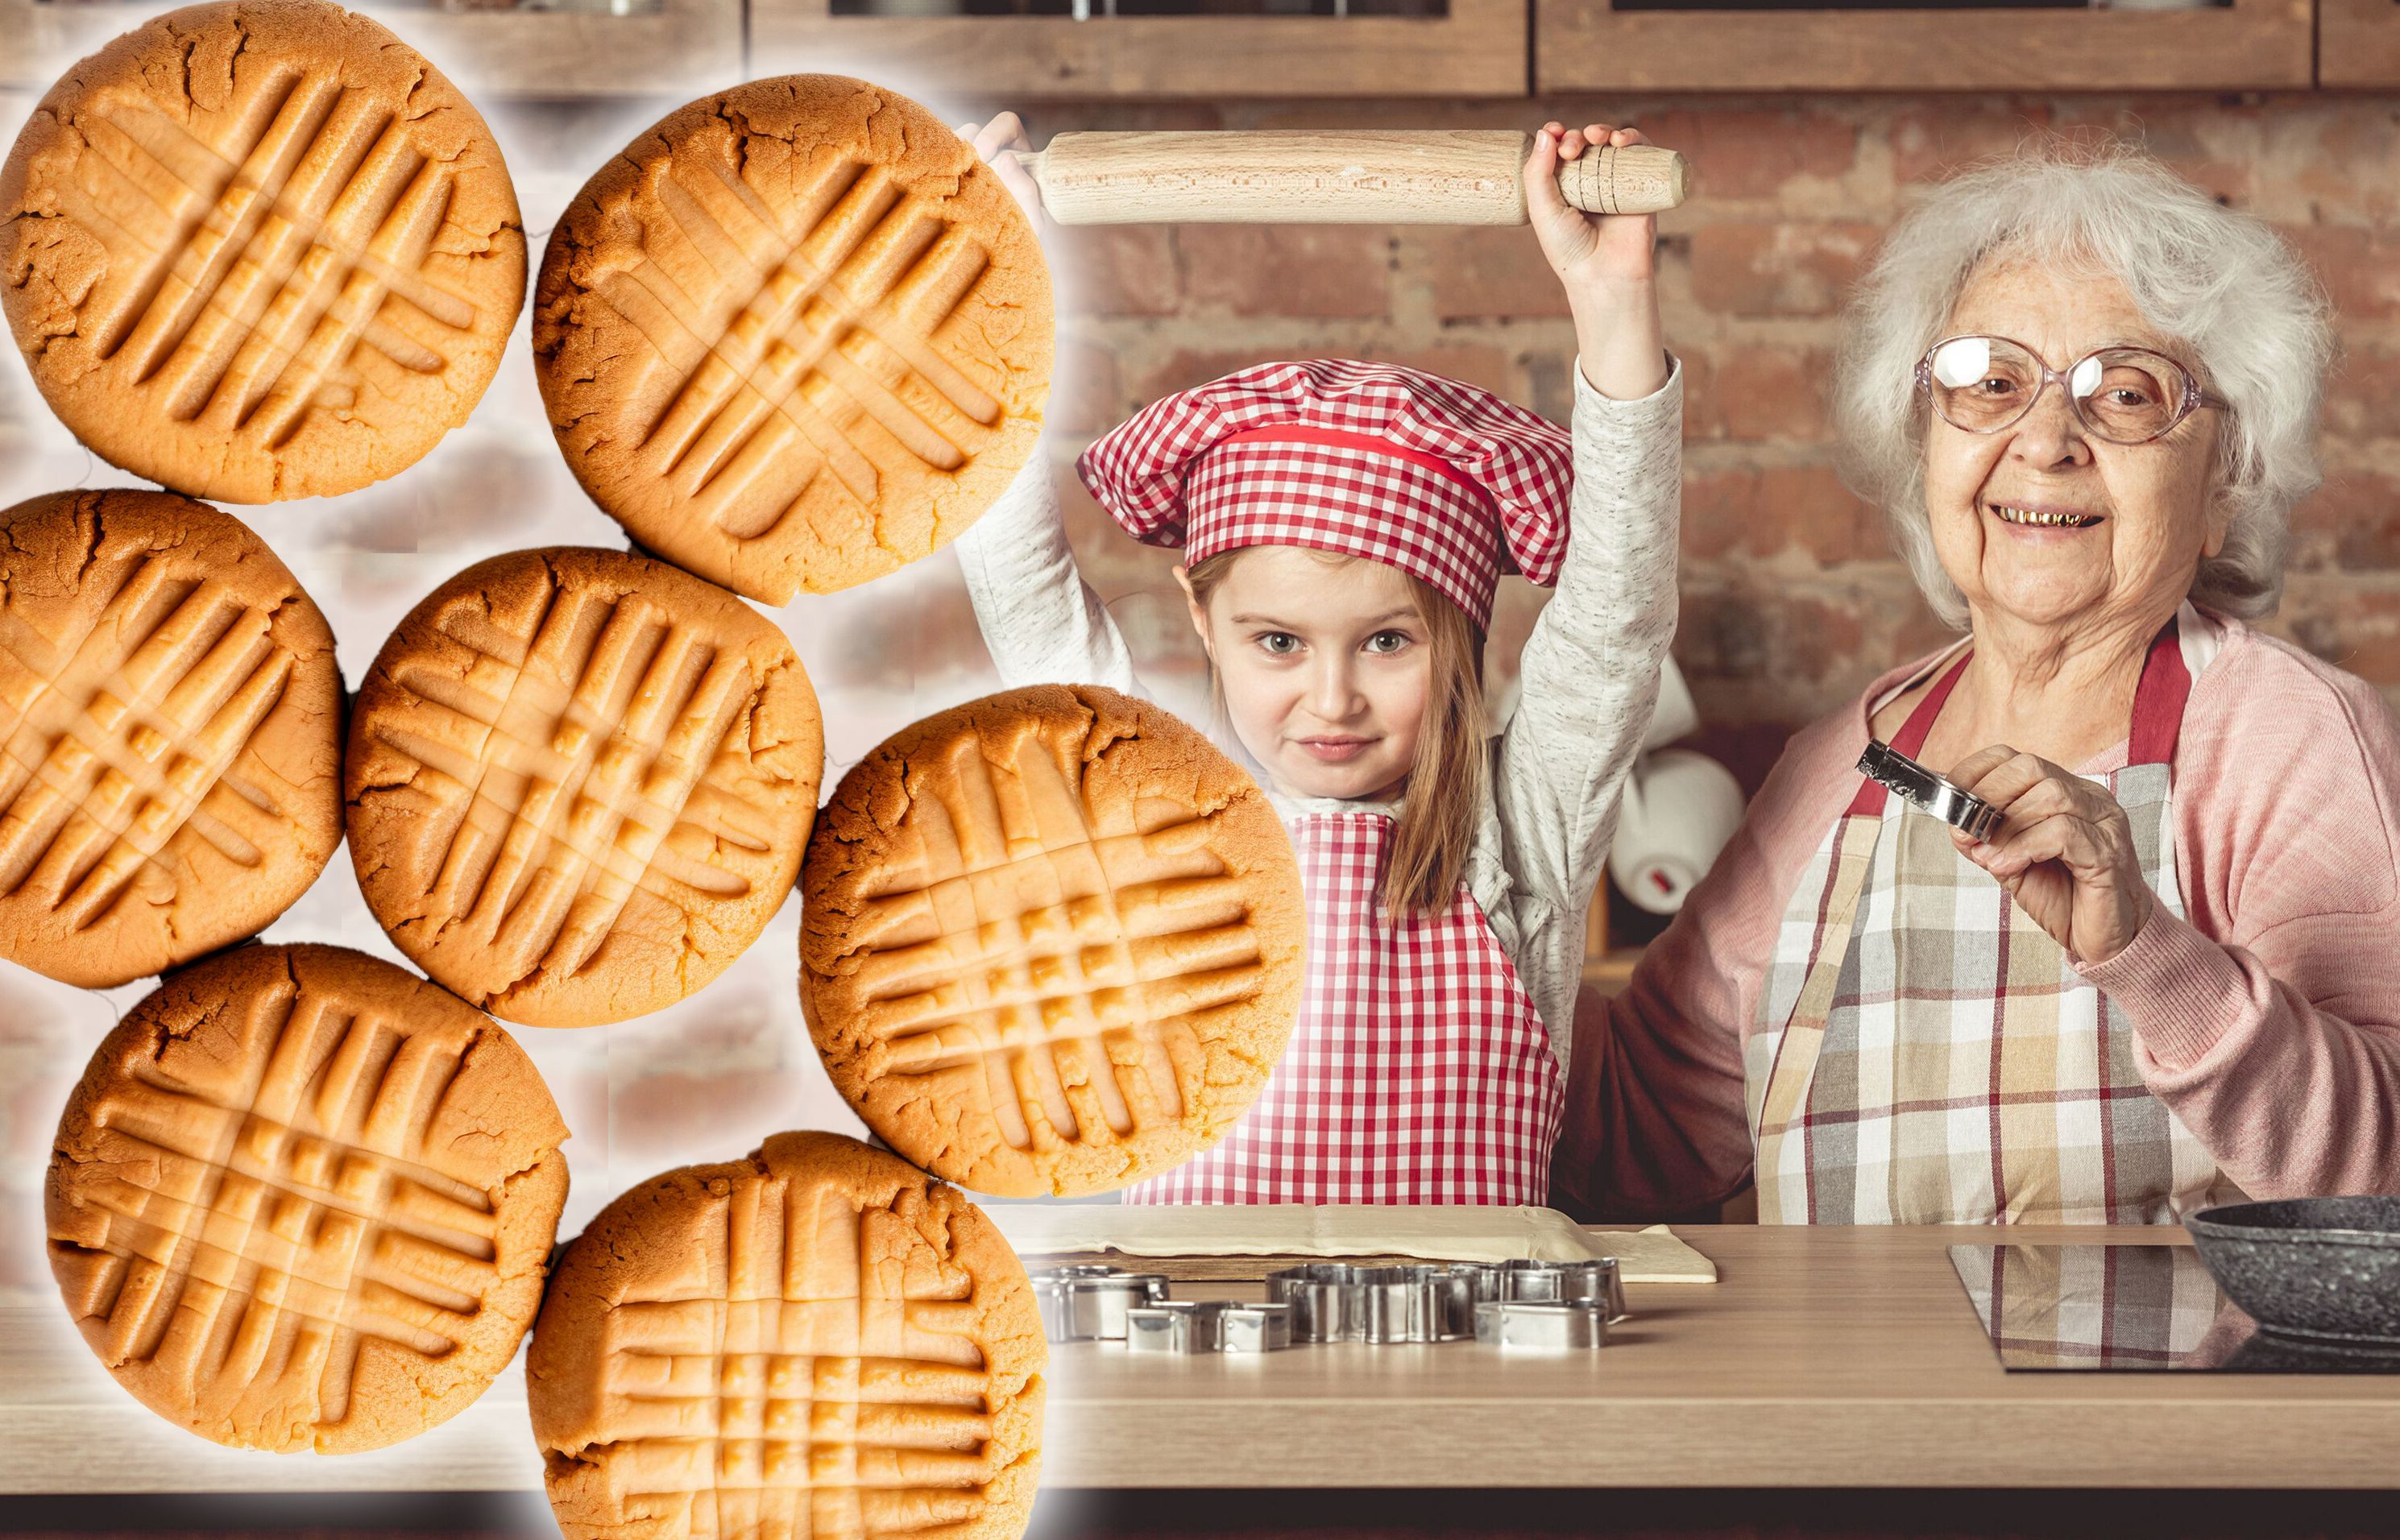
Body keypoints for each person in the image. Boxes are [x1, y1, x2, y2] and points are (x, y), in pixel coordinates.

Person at [1556, 143, 2400, 1225]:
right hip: (1857, 1351)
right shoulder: (1843, 766)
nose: (2044, 441)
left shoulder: (2287, 738)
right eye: (1991, 383)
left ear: (2225, 484)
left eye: (2126, 393)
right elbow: (1637, 1137)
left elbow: (2381, 1184)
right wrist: (1462, 881)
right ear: (1926, 447)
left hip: (2175, 1350)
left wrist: (2145, 953)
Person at [951, 113, 1683, 1205]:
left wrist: (1613, 296)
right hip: (1200, 1319)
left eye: (1387, 640)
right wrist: (992, 285)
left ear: (1460, 636)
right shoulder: (1141, 805)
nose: (1332, 699)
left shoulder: (1522, 828)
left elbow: (1618, 614)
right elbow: (1026, 595)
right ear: (1204, 619)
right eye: (1279, 642)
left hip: (1467, 1322)